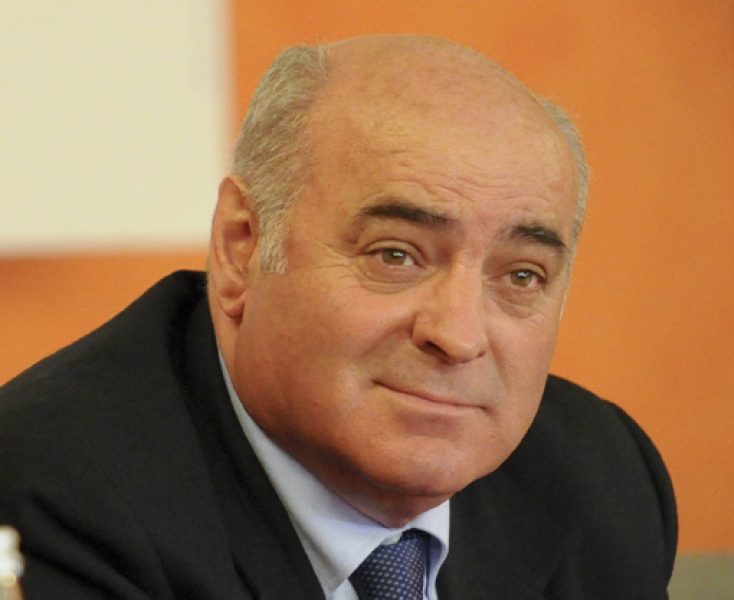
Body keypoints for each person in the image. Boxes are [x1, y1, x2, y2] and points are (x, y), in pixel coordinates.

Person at [0, 35, 677, 599]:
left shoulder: (597, 480)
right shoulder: (53, 493)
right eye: (396, 256)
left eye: (521, 275)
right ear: (241, 248)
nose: (459, 335)